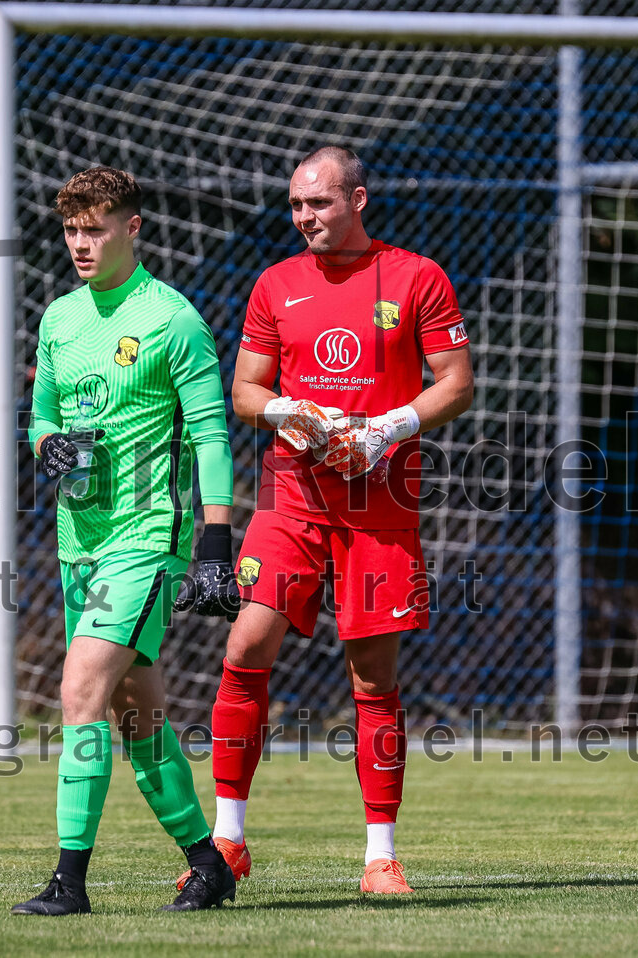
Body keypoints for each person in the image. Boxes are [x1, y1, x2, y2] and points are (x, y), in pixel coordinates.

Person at [197, 145, 473, 895]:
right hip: (292, 497)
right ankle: (227, 841)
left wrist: (387, 428)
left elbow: (456, 384)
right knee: (247, 643)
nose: (303, 218)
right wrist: (291, 409)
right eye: (295, 205)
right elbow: (245, 392)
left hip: (380, 506)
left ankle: (379, 857)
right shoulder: (275, 283)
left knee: (372, 675)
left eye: (317, 203)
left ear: (358, 199)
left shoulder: (417, 277)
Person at [12, 166, 241, 916]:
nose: (81, 243)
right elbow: (40, 416)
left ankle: (68, 884)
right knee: (137, 722)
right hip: (80, 540)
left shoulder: (172, 320)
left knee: (79, 693)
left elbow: (210, 435)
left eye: (96, 228)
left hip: (146, 541)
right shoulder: (59, 320)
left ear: (131, 229)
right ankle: (209, 866)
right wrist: (47, 445)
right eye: (72, 229)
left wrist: (214, 542)